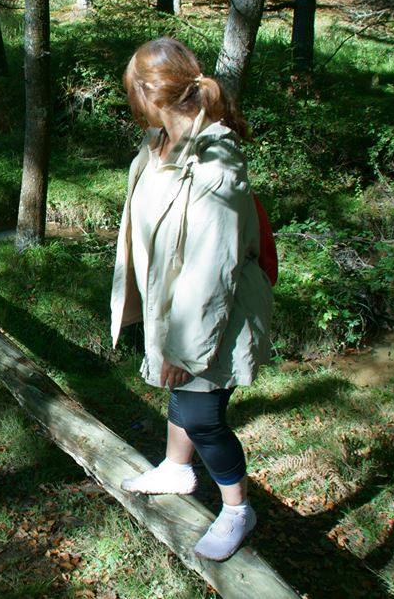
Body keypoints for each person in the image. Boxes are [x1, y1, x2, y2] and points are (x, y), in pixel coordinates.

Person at [109, 36, 273, 562]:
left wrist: (185, 349)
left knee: (202, 413)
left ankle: (235, 509)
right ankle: (178, 470)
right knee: (182, 397)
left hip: (213, 313)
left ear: (147, 94)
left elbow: (212, 268)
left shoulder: (216, 162)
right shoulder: (160, 141)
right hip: (176, 304)